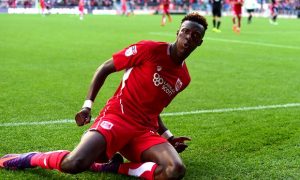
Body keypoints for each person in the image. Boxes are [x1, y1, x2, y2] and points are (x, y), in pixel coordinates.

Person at [0, 12, 208, 180]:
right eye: (185, 32)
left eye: (195, 36)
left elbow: (154, 110)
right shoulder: (150, 49)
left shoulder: (184, 78)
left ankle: (113, 168)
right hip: (117, 117)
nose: (189, 38)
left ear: (200, 42)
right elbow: (104, 69)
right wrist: (87, 106)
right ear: (177, 32)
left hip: (143, 130)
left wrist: (168, 137)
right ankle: (30, 158)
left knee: (175, 170)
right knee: (76, 163)